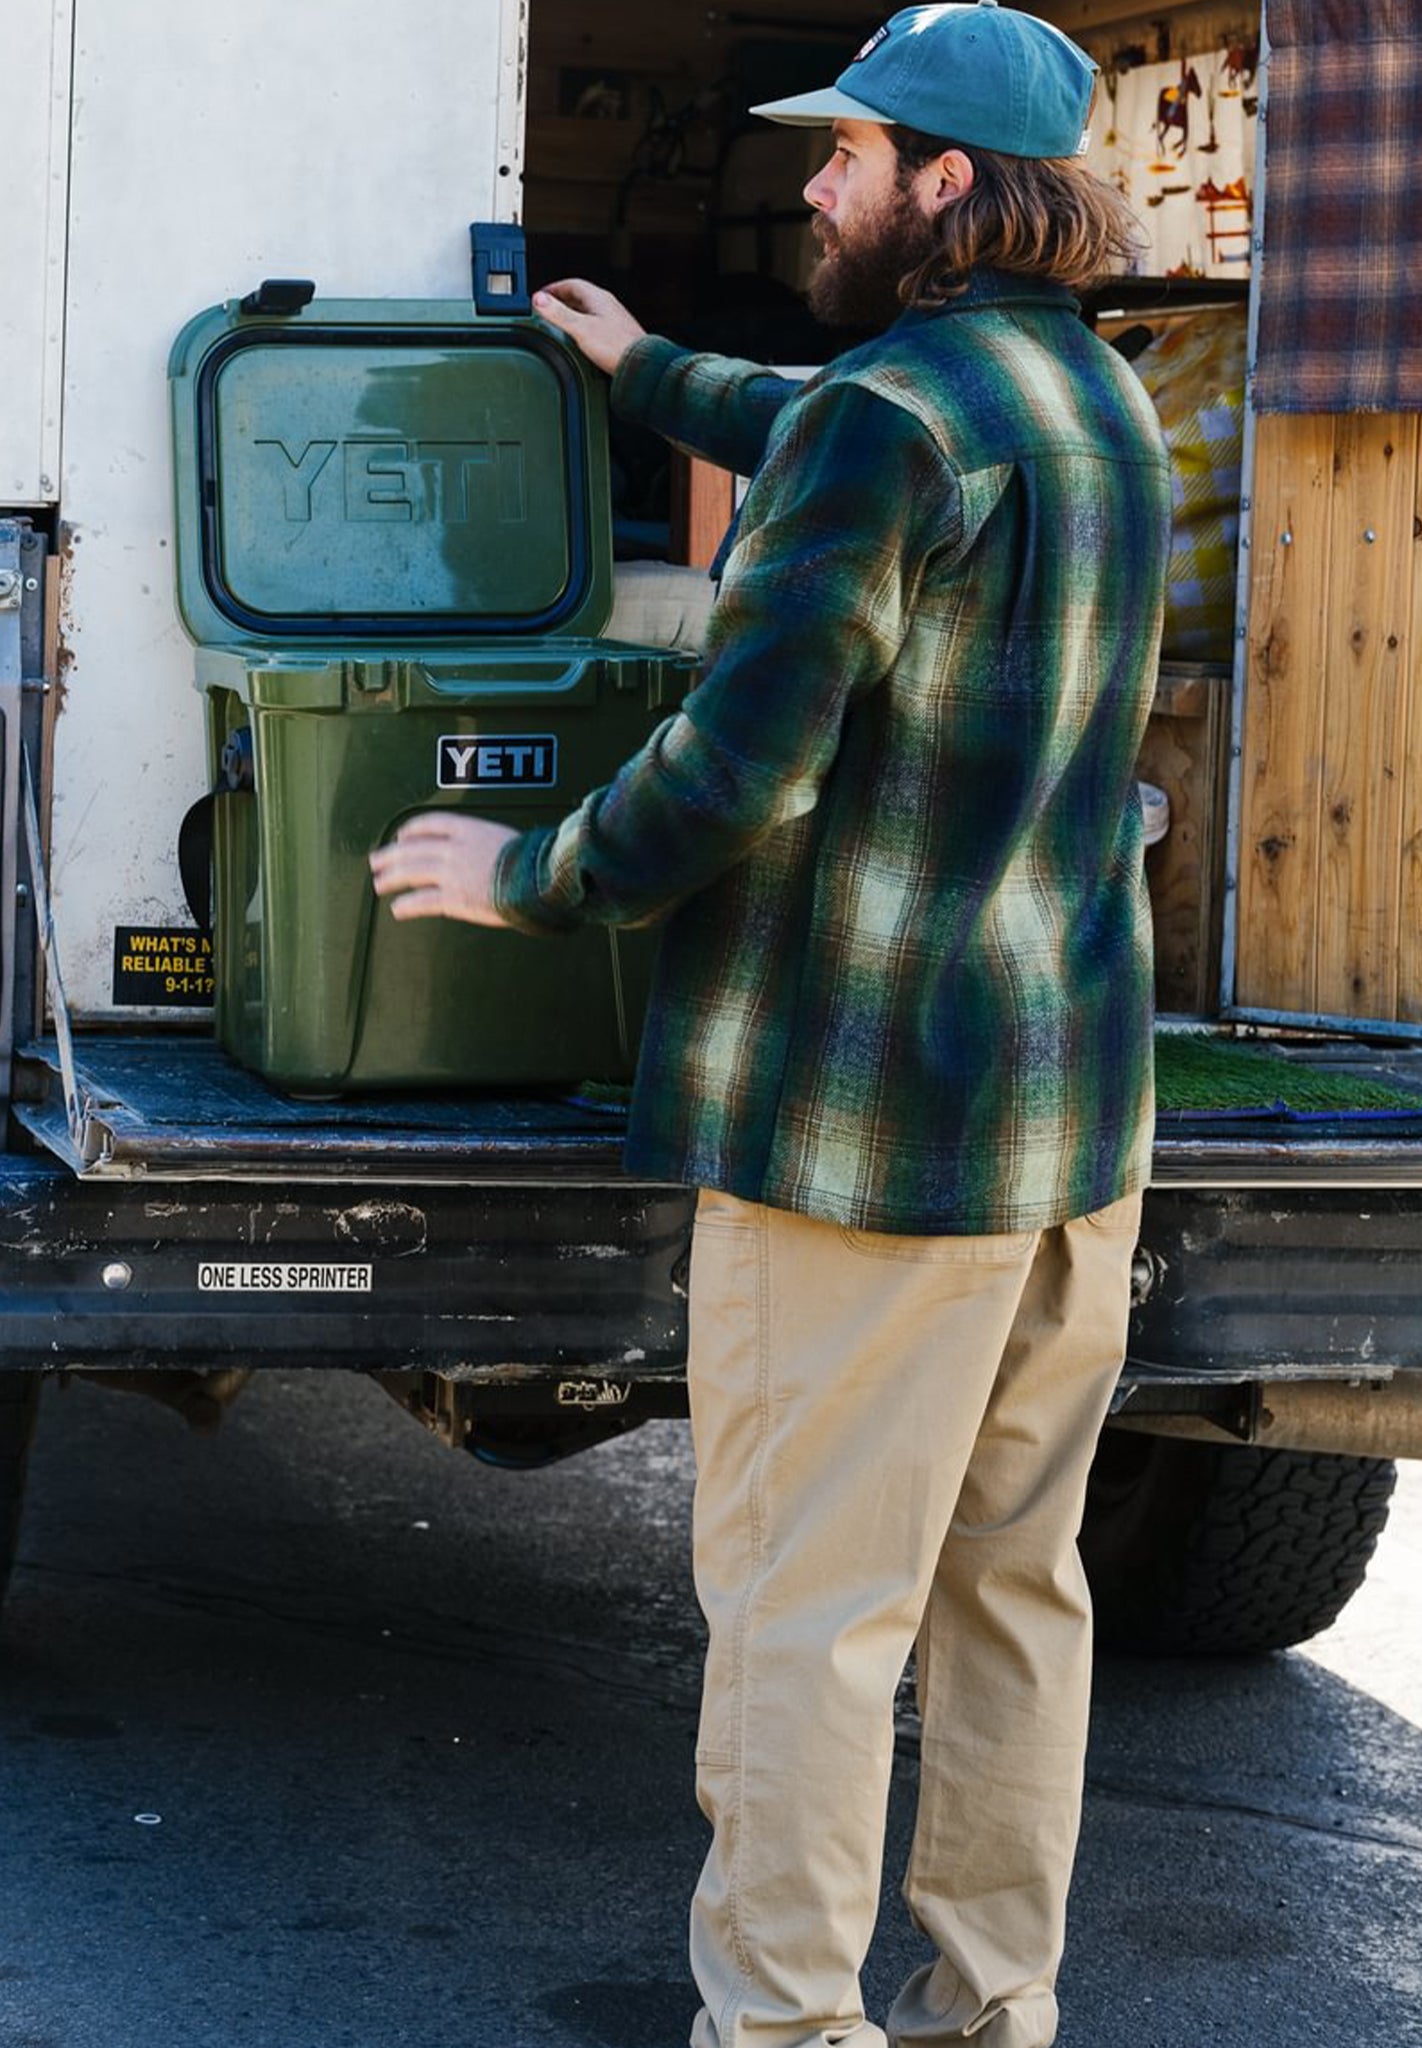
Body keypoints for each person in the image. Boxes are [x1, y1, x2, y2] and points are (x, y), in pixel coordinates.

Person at [371, 5, 1171, 2042]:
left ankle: (787, 2029)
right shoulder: (1088, 401)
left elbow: (743, 771)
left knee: (808, 1621)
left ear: (952, 191)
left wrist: (525, 873)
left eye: (851, 154)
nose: (810, 184)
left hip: (862, 1134)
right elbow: (817, 412)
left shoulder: (888, 423)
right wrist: (643, 368)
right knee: (1016, 1597)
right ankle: (996, 2011)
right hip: (1062, 1129)